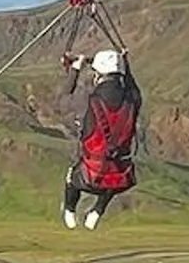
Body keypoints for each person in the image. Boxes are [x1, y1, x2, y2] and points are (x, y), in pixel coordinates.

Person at [60, 47, 141, 230]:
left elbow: (63, 100)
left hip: (91, 175)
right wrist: (125, 64)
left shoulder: (88, 100)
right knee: (112, 175)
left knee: (72, 177)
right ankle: (97, 210)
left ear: (97, 75)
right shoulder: (133, 100)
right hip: (121, 176)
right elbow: (133, 88)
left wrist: (75, 70)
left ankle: (69, 211)